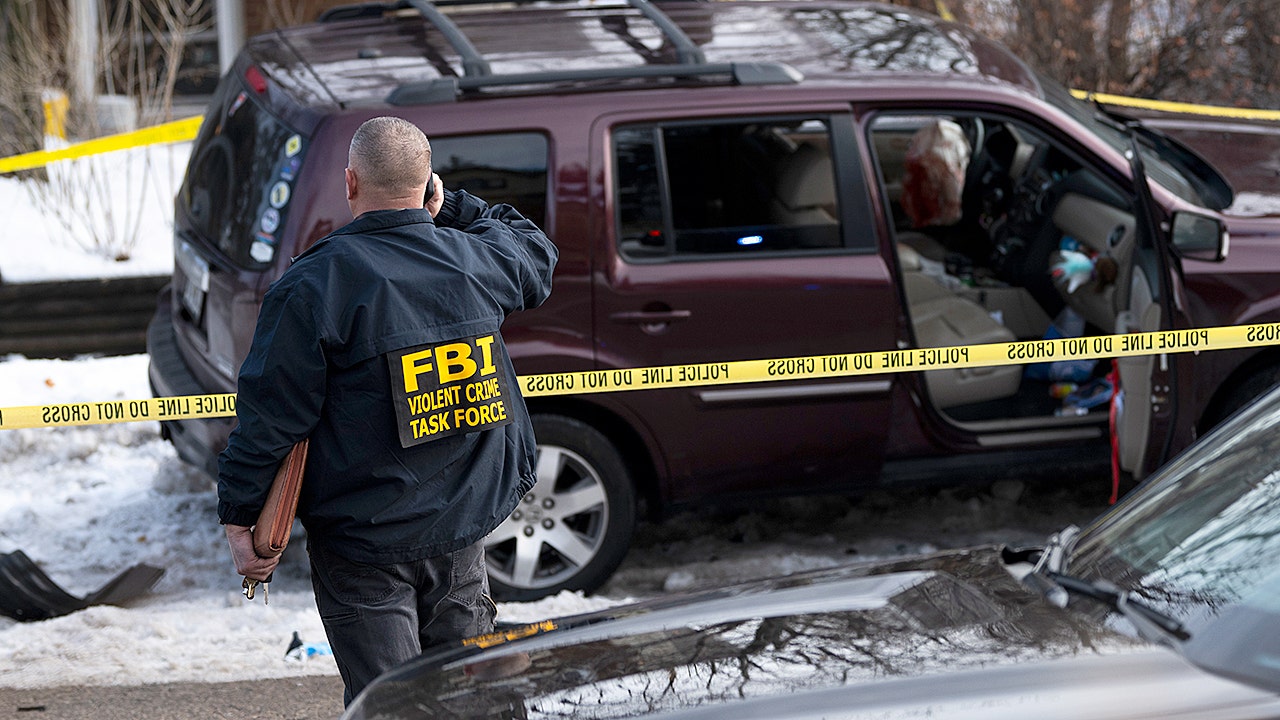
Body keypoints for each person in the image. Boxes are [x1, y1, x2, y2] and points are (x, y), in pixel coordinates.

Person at [216, 115, 558, 705]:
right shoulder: (473, 260)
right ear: (428, 187)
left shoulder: (313, 285)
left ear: (349, 183)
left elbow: (271, 418)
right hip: (460, 529)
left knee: (391, 706)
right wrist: (452, 206)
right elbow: (534, 248)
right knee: (474, 698)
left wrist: (240, 514)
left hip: (362, 545)